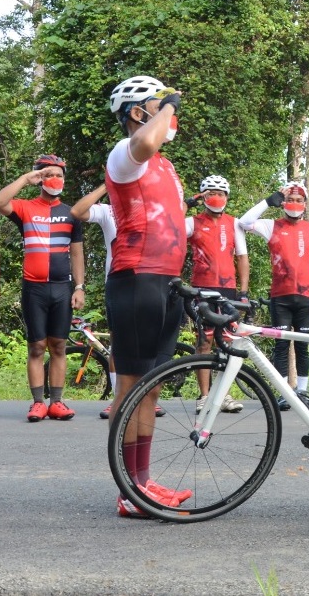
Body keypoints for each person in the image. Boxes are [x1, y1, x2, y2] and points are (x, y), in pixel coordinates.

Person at [104, 75, 189, 518]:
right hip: (136, 277)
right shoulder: (125, 155)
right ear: (138, 113)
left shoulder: (166, 167)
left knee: (151, 387)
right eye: (157, 106)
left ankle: (144, 481)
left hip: (166, 281)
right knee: (131, 385)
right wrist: (167, 105)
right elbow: (146, 142)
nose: (170, 114)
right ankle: (128, 489)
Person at [0, 154, 86, 423]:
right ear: (39, 179)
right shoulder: (25, 208)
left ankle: (56, 401)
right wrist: (24, 179)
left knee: (58, 346)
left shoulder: (72, 212)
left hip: (62, 288)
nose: (55, 179)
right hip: (34, 289)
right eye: (48, 174)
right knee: (36, 347)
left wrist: (79, 287)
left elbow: (77, 254)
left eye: (59, 175)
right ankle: (37, 403)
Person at [71, 183, 166, 422]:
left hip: (150, 281)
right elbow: (78, 211)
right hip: (118, 283)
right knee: (118, 342)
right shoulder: (108, 210)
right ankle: (118, 399)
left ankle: (146, 398)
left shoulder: (151, 208)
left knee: (148, 341)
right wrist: (106, 185)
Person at [239, 181, 309, 412]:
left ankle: (302, 394)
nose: (294, 204)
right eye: (290, 199)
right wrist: (269, 200)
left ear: (305, 204)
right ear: (283, 203)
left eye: (299, 200)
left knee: (303, 347)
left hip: (306, 296)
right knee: (281, 347)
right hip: (281, 297)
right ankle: (284, 394)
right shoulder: (271, 225)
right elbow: (244, 222)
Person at [185, 174, 248, 414]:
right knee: (205, 341)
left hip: (229, 289)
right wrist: (189, 202)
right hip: (202, 289)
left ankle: (224, 395)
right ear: (203, 197)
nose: (216, 197)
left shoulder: (235, 223)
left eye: (220, 193)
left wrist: (243, 291)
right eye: (210, 193)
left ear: (227, 197)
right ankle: (204, 396)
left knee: (229, 343)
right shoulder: (193, 222)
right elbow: (172, 230)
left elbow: (242, 257)